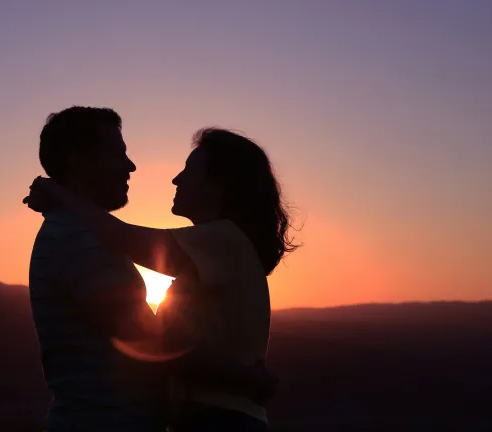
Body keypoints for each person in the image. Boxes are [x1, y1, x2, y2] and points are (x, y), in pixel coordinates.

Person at [25, 127, 297, 431]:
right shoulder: (213, 251)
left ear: (219, 186)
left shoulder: (226, 240)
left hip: (221, 420)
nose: (176, 179)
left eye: (189, 171)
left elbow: (124, 237)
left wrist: (61, 196)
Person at [27, 106, 167, 431]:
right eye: (118, 154)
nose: (130, 166)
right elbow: (146, 340)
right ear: (77, 161)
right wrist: (237, 375)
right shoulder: (76, 238)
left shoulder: (83, 233)